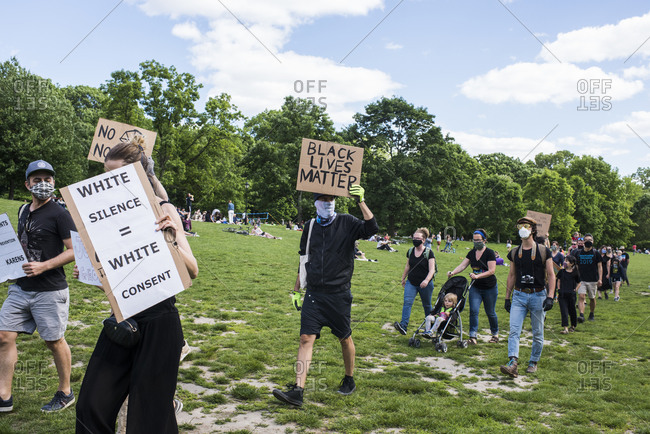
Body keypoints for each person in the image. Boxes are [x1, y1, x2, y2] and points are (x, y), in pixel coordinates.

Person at [76, 137, 199, 433]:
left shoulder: (164, 211)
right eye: (105, 176)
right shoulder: (101, 216)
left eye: (115, 176)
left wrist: (171, 238)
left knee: (149, 417)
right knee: (91, 403)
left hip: (160, 323)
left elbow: (192, 270)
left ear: (137, 176)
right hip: (123, 319)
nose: (108, 182)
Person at [272, 185, 378, 407]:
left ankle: (349, 379)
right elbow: (304, 260)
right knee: (305, 339)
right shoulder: (309, 227)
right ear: (315, 203)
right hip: (314, 295)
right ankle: (298, 391)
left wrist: (361, 201)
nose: (328, 202)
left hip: (338, 295)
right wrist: (296, 289)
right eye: (323, 199)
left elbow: (371, 229)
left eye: (331, 198)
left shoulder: (347, 222)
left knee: (344, 338)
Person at [0, 160, 76, 413]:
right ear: (27, 184)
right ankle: (4, 396)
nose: (43, 184)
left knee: (54, 341)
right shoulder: (23, 210)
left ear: (54, 182)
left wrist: (44, 266)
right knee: (3, 336)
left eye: (48, 179)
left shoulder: (60, 214)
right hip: (20, 287)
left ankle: (65, 392)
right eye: (37, 180)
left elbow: (75, 250)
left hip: (50, 290)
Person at [500, 216, 555, 377]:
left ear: (533, 229)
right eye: (520, 226)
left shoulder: (544, 251)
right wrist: (507, 297)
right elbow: (511, 275)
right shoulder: (514, 252)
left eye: (526, 225)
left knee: (538, 332)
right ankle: (513, 363)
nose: (522, 228)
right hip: (519, 295)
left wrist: (550, 296)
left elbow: (551, 275)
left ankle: (533, 361)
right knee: (514, 331)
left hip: (538, 295)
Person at [447, 229, 499, 345]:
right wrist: (453, 272)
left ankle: (495, 334)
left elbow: (492, 271)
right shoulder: (471, 253)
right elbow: (463, 265)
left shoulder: (490, 253)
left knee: (490, 312)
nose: (476, 243)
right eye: (474, 240)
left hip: (489, 287)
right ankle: (473, 336)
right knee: (474, 311)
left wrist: (478, 276)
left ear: (484, 240)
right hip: (475, 287)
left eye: (478, 240)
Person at [393, 228, 436, 335]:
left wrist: (426, 280)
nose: (415, 240)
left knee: (427, 306)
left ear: (424, 240)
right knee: (407, 302)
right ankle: (403, 326)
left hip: (425, 285)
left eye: (418, 238)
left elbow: (432, 270)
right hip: (411, 282)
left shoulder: (429, 252)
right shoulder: (411, 251)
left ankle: (429, 328)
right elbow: (408, 265)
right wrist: (403, 278)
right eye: (414, 238)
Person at [570, 233, 602, 322]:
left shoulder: (596, 253)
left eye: (590, 240)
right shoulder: (578, 253)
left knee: (592, 298)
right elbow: (575, 266)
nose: (588, 241)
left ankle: (591, 313)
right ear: (583, 241)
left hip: (593, 279)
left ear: (593, 241)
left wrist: (600, 279)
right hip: (582, 279)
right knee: (581, 296)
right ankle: (581, 315)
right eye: (586, 240)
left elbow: (600, 267)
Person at [556, 255, 580, 334]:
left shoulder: (575, 273)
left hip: (571, 295)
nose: (564, 262)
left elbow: (579, 282)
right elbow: (558, 280)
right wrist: (559, 289)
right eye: (564, 260)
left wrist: (575, 290)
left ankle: (573, 325)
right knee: (564, 311)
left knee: (572, 310)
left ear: (572, 263)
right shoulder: (561, 271)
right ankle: (565, 328)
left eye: (567, 261)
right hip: (562, 294)